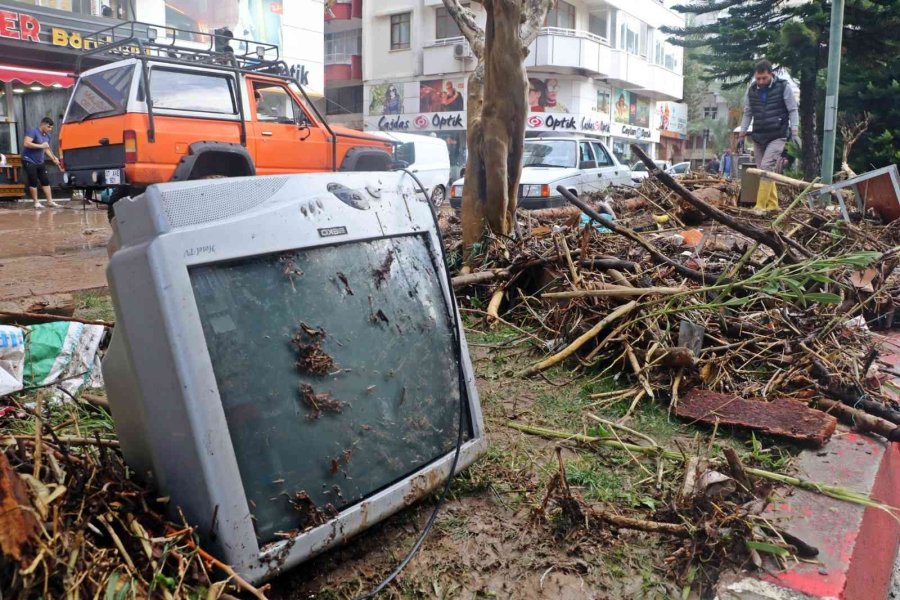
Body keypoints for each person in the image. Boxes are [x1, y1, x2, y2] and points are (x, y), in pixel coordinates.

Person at [739, 60, 799, 212]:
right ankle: (773, 205)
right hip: (759, 136)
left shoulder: (783, 87)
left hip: (777, 134)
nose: (760, 82)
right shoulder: (751, 90)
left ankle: (760, 206)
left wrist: (795, 130)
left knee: (766, 168)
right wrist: (742, 132)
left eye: (764, 78)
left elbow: (792, 109)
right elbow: (748, 113)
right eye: (758, 78)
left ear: (771, 75)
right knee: (763, 171)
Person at [22, 117, 61, 209]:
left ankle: (50, 202)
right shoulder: (32, 131)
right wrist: (41, 145)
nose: (50, 129)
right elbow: (26, 143)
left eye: (51, 128)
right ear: (42, 124)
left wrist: (53, 158)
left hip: (40, 161)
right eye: (48, 127)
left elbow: (46, 148)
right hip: (29, 160)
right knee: (33, 181)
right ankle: (36, 203)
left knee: (45, 181)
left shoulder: (48, 136)